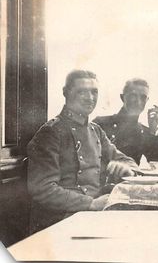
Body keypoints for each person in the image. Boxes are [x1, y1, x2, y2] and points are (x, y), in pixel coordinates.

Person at [27, 70, 140, 233]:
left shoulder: (96, 130)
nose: (90, 98)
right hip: (59, 220)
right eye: (82, 92)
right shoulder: (50, 133)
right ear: (66, 93)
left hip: (92, 213)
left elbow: (127, 161)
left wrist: (126, 169)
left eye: (94, 92)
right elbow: (43, 189)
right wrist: (90, 204)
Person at [93, 78, 158, 171]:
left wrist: (153, 130)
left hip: (129, 183)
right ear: (122, 98)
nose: (138, 102)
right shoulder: (101, 124)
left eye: (143, 97)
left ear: (147, 100)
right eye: (133, 96)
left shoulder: (145, 132)